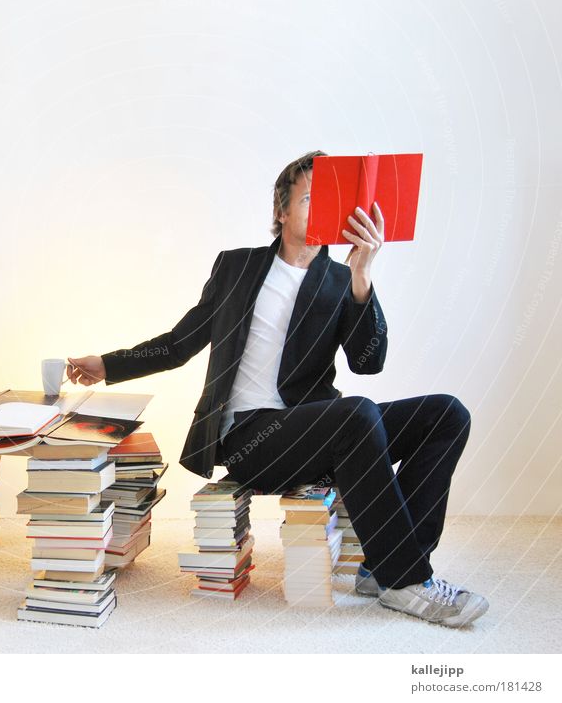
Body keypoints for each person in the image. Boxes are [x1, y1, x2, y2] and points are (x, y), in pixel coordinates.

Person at [66, 150, 488, 628]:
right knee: (358, 413)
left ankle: (381, 568)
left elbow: (368, 364)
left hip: (320, 429)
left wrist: (363, 278)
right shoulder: (237, 268)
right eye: (310, 198)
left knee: (447, 414)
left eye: (332, 200)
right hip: (251, 441)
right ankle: (408, 581)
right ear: (281, 211)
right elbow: (179, 344)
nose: (322, 208)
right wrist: (106, 364)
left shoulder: (339, 278)